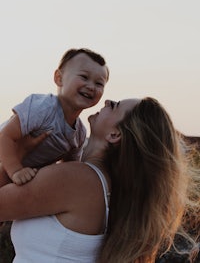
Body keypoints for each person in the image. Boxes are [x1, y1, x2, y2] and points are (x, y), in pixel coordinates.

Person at [0, 97, 198, 263]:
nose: (107, 100)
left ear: (114, 134)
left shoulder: (78, 179)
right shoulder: (101, 185)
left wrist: (18, 152)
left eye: (115, 105)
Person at [0, 48, 109, 186]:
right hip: (8, 162)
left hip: (22, 177)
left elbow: (69, 167)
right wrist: (15, 170)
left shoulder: (80, 133)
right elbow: (5, 136)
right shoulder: (43, 108)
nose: (91, 86)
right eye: (84, 77)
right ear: (59, 78)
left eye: (99, 83)